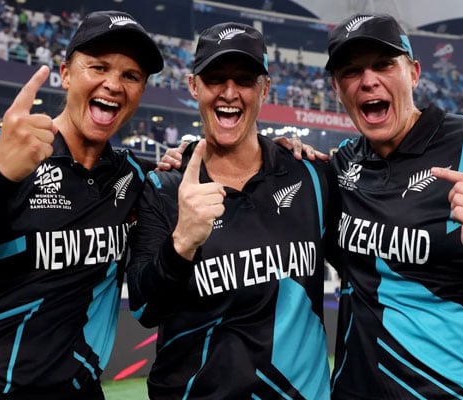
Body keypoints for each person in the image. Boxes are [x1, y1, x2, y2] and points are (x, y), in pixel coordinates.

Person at [0, 10, 164, 400]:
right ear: (65, 74)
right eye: (98, 67)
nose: (113, 84)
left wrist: (285, 153)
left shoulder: (135, 176)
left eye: (130, 76)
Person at [323, 14, 463, 399]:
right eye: (351, 71)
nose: (368, 80)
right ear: (338, 89)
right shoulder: (342, 163)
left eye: (383, 64)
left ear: (414, 72)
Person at [127, 22, 337, 399]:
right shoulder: (164, 187)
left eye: (243, 79)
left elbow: (373, 262)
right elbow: (144, 309)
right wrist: (181, 245)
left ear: (264, 89)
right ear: (193, 86)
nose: (228, 92)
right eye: (214, 79)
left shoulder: (311, 176)